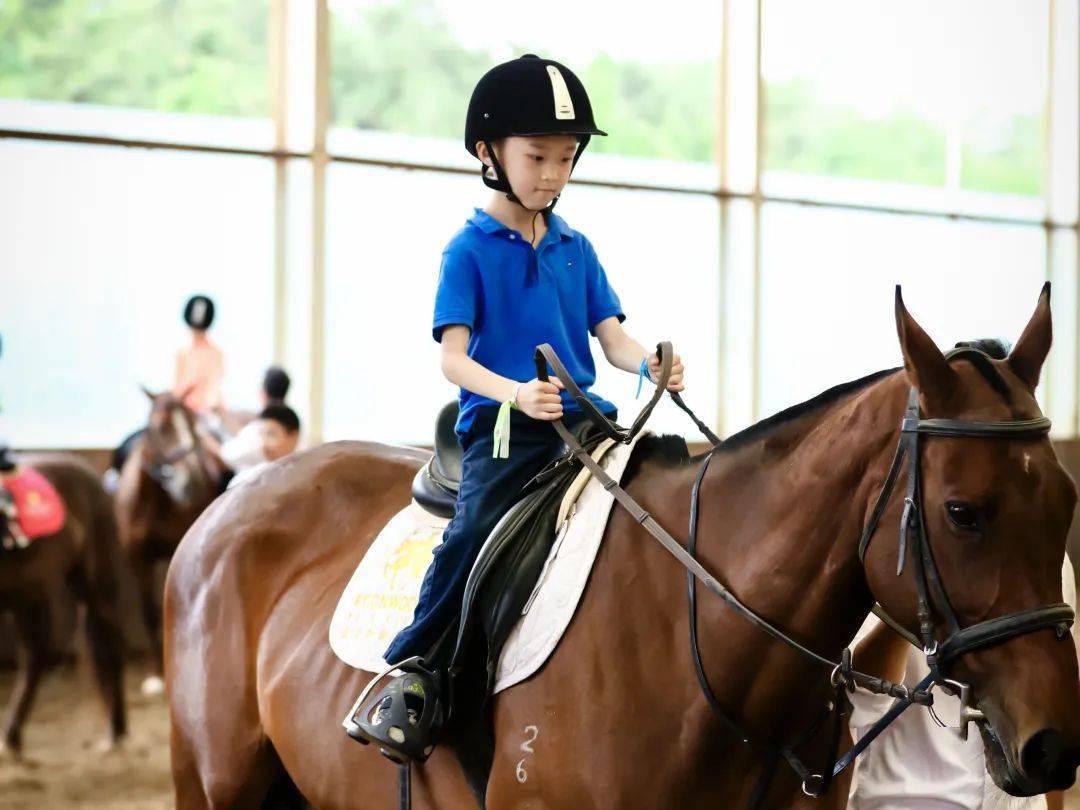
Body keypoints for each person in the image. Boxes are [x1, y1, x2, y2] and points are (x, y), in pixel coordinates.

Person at [345, 54, 685, 761]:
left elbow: (612, 338)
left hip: (585, 424)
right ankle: (417, 673)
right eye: (537, 156)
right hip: (505, 432)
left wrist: (649, 359)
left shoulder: (575, 247)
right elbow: (453, 359)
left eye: (566, 158)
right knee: (472, 535)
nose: (553, 174)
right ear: (488, 154)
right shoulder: (467, 251)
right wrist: (516, 392)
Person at [224, 403, 301, 489]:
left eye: (271, 434)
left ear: (294, 437)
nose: (263, 443)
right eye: (261, 434)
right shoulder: (250, 477)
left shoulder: (303, 474)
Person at [174, 294, 224, 415]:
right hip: (183, 410)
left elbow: (215, 387)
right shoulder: (182, 353)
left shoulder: (215, 353)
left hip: (208, 412)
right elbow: (177, 387)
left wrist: (207, 405)